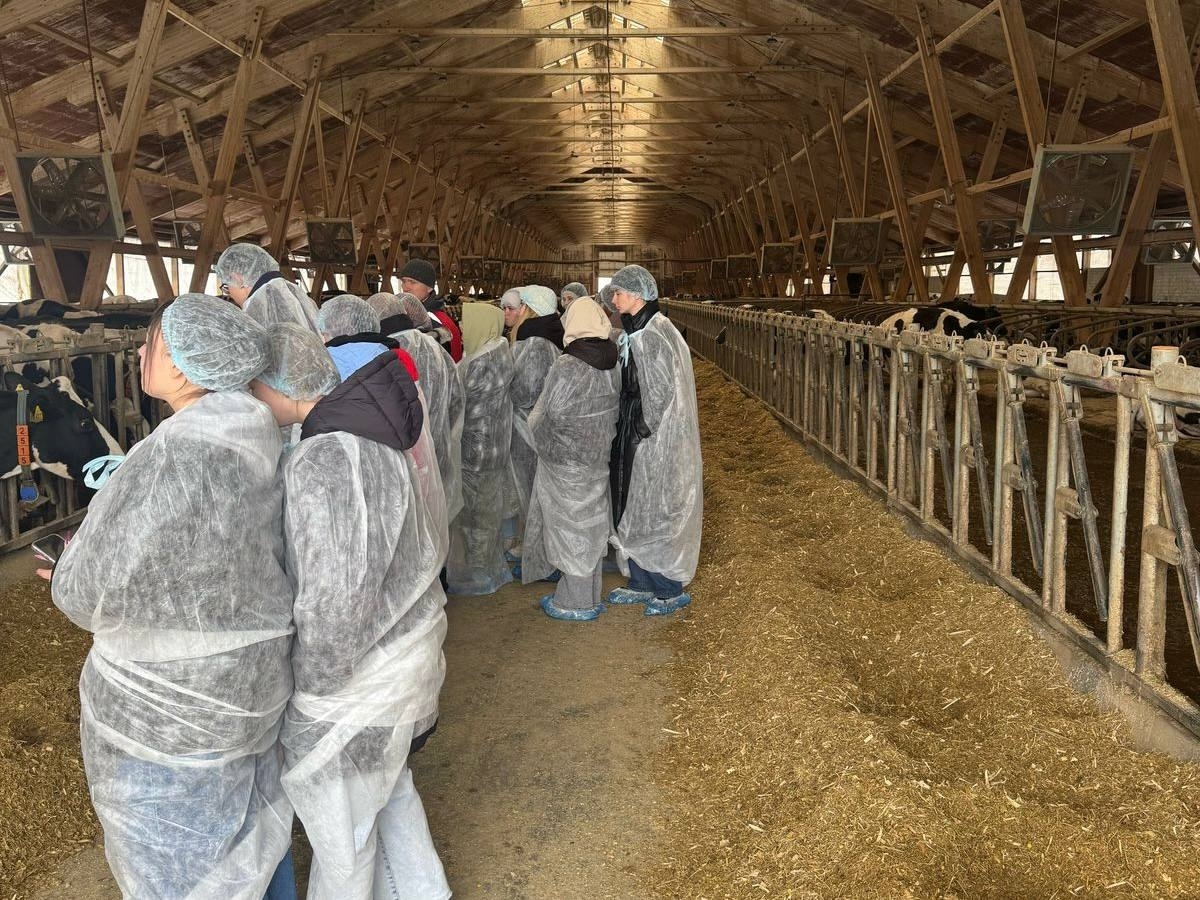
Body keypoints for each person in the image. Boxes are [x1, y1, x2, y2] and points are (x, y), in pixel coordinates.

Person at [49, 294, 297, 899]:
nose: (139, 354)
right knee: (252, 824)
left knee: (178, 858)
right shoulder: (254, 430)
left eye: (152, 344)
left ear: (185, 368)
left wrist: (69, 565)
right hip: (254, 679)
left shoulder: (173, 452)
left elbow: (87, 591)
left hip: (174, 704)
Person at [251, 323, 451, 900]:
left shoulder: (325, 459)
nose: (254, 399)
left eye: (257, 385)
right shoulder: (372, 438)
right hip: (401, 656)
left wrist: (311, 687)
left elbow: (335, 600)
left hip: (358, 681)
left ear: (286, 384)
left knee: (344, 835)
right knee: (388, 792)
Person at [607, 265, 703, 616]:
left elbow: (660, 392)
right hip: (638, 429)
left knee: (657, 507)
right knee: (637, 504)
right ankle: (641, 580)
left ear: (637, 295)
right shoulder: (638, 331)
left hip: (655, 437)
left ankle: (668, 588)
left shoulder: (654, 333)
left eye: (618, 293)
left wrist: (641, 430)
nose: (614, 299)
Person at [522, 298, 620, 620]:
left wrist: (541, 441)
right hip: (597, 457)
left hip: (564, 460)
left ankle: (575, 602)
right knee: (590, 525)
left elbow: (546, 413)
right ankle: (589, 592)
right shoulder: (612, 361)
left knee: (569, 528)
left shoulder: (567, 364)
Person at [377, 292, 466, 523]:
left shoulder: (386, 353)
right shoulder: (434, 347)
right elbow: (457, 397)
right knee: (437, 515)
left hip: (408, 458)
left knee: (416, 521)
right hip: (440, 443)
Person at [447, 303, 514, 596]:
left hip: (475, 448)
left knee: (473, 515)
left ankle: (476, 572)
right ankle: (486, 566)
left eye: (467, 323)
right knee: (487, 510)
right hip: (496, 445)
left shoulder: (480, 363)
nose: (463, 329)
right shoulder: (500, 352)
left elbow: (463, 405)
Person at [506, 285, 563, 568]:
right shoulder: (550, 336)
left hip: (528, 427)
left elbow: (527, 390)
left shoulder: (535, 343)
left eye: (518, 307)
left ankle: (539, 554)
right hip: (539, 427)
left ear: (529, 309)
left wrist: (505, 387)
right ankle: (536, 548)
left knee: (532, 492)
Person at [215, 243, 320, 332]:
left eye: (226, 287)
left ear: (237, 278)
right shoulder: (295, 291)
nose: (230, 294)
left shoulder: (256, 309)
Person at [317, 294, 419, 384]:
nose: (324, 340)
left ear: (334, 330)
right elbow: (416, 395)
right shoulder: (399, 355)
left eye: (324, 334)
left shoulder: (326, 362)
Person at [399, 259, 463, 362]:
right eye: (403, 281)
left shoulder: (437, 320)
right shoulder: (404, 315)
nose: (406, 287)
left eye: (412, 282)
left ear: (429, 288)